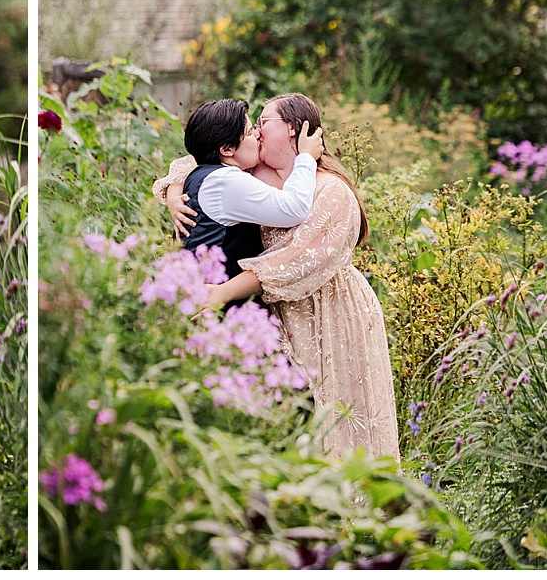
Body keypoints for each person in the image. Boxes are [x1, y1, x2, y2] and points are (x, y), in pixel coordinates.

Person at [158, 95, 399, 465]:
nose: (255, 129)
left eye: (262, 120)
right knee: (291, 416)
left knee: (336, 415)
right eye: (251, 124)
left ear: (292, 129)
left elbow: (291, 262)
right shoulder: (252, 173)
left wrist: (222, 292)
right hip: (279, 313)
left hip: (330, 313)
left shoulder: (330, 191)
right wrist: (176, 193)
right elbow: (196, 162)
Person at [159, 96, 322, 276]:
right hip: (211, 297)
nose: (259, 134)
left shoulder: (212, 173)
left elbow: (184, 166)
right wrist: (306, 157)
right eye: (251, 132)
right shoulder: (225, 182)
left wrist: (173, 196)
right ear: (227, 149)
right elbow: (294, 209)